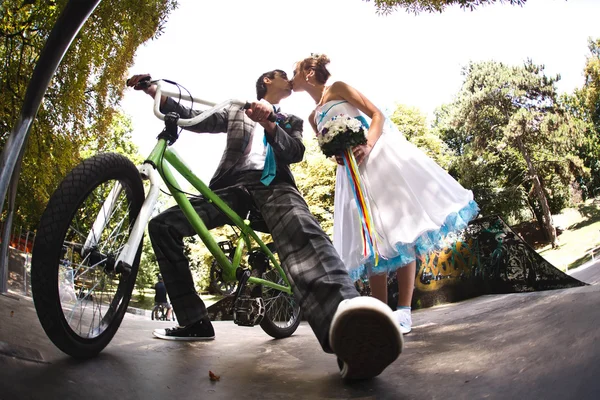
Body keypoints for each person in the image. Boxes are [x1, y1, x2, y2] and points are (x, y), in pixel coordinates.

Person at [126, 70, 403, 380]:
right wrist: (155, 92)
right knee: (163, 227)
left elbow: (294, 152)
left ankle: (350, 322)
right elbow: (195, 117)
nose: (290, 80)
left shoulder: (292, 119)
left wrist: (271, 124)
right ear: (268, 80)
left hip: (273, 186)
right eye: (284, 75)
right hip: (230, 190)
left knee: (302, 230)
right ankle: (193, 322)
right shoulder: (235, 108)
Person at [291, 54, 479, 334]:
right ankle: (382, 313)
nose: (291, 76)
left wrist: (366, 146)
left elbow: (377, 114)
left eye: (293, 70)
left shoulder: (339, 87)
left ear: (308, 72)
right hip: (351, 176)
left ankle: (404, 311)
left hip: (376, 159)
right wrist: (338, 159)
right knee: (370, 238)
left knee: (401, 230)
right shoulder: (312, 117)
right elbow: (329, 151)